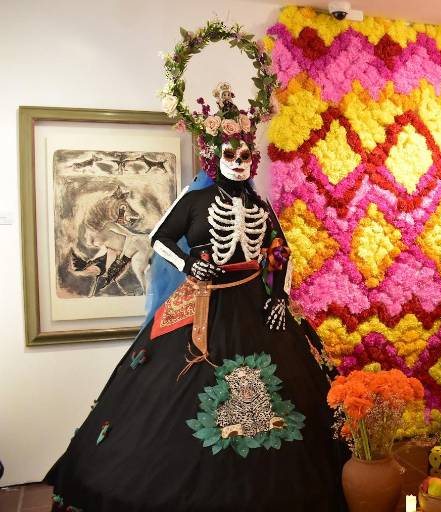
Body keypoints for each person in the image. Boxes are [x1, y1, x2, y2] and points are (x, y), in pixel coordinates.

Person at [44, 80, 347, 511]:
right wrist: (189, 265)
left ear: (253, 159)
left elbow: (279, 251)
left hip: (254, 302)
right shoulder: (195, 200)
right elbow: (159, 237)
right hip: (204, 299)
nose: (238, 163)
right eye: (230, 156)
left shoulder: (261, 206)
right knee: (172, 394)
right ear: (216, 158)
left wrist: (278, 296)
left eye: (245, 157)